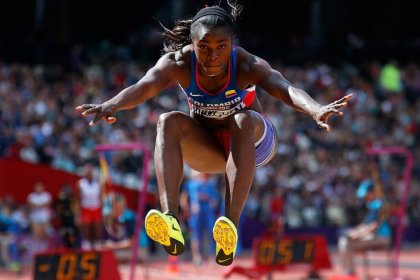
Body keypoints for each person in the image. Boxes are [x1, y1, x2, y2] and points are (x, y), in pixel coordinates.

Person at [76, 1, 352, 265]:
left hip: (254, 144)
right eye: (203, 47)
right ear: (192, 44)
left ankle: (228, 229)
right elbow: (145, 86)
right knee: (167, 121)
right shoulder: (178, 64)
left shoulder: (246, 65)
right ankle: (170, 219)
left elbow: (285, 88)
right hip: (210, 148)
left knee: (242, 120)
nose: (213, 56)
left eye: (222, 46)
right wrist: (110, 104)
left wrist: (315, 109)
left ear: (232, 44)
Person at [338, 179, 392, 276]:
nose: (364, 198)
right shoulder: (371, 206)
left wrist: (358, 235)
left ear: (372, 192)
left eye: (366, 195)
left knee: (346, 243)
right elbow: (365, 225)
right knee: (344, 241)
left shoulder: (380, 205)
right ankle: (348, 271)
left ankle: (350, 273)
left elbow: (374, 226)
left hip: (382, 238)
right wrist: (353, 232)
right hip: (372, 237)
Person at [180, 171, 220, 265]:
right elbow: (183, 198)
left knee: (211, 234)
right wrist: (186, 210)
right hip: (196, 214)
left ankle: (211, 256)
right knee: (196, 235)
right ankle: (197, 257)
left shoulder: (211, 184)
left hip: (208, 213)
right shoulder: (191, 184)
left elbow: (215, 200)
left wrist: (209, 200)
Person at [74, 163, 104, 250]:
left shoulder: (98, 183)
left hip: (96, 208)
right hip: (86, 208)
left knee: (98, 230)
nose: (89, 173)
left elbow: (101, 198)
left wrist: (103, 212)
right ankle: (87, 248)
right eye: (87, 171)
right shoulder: (80, 184)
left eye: (90, 171)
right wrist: (77, 216)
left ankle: (98, 248)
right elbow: (77, 201)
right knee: (87, 231)